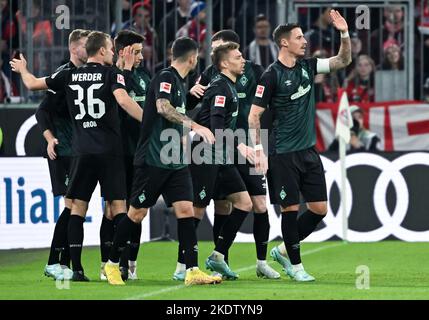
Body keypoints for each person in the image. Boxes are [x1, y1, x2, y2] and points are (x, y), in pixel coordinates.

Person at [11, 31, 144, 281]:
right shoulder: (112, 74)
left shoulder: (68, 74)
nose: (114, 53)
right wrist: (149, 121)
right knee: (118, 209)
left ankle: (77, 270)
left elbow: (32, 84)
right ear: (102, 51)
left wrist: (23, 70)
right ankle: (113, 265)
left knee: (76, 210)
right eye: (111, 49)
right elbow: (124, 101)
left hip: (81, 152)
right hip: (110, 152)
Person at [104, 37, 221, 286]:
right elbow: (162, 108)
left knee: (186, 211)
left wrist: (191, 99)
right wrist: (195, 125)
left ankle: (191, 270)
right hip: (153, 159)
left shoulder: (179, 82)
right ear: (193, 58)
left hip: (174, 161)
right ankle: (112, 264)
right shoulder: (165, 77)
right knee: (136, 213)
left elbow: (174, 109)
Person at [248, 10, 352, 281]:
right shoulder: (271, 76)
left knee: (319, 209)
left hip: (308, 151)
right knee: (290, 210)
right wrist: (259, 150)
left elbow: (344, 60)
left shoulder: (309, 67)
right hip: (283, 154)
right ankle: (296, 266)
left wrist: (344, 33)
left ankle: (283, 251)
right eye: (298, 37)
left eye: (303, 37)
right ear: (284, 43)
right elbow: (254, 116)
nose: (304, 41)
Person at [173, 29, 279, 281]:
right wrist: (190, 98)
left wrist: (259, 143)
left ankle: (254, 261)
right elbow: (202, 114)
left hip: (249, 143)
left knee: (257, 203)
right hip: (216, 148)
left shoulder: (254, 71)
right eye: (212, 48)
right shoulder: (213, 78)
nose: (213, 51)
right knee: (209, 206)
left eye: (220, 46)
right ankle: (186, 265)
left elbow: (268, 105)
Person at [34, 29, 90, 281]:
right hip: (62, 150)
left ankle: (64, 263)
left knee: (77, 207)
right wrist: (49, 138)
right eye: (84, 46)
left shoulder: (88, 75)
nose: (88, 51)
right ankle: (53, 262)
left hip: (78, 151)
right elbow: (41, 111)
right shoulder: (63, 74)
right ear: (74, 48)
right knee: (71, 207)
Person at [98, 30, 151, 282]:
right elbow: (120, 106)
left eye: (141, 51)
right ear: (124, 52)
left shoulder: (145, 77)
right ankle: (105, 263)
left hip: (140, 154)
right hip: (116, 154)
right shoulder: (110, 76)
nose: (141, 56)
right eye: (137, 52)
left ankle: (130, 264)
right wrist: (127, 72)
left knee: (137, 209)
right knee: (111, 210)